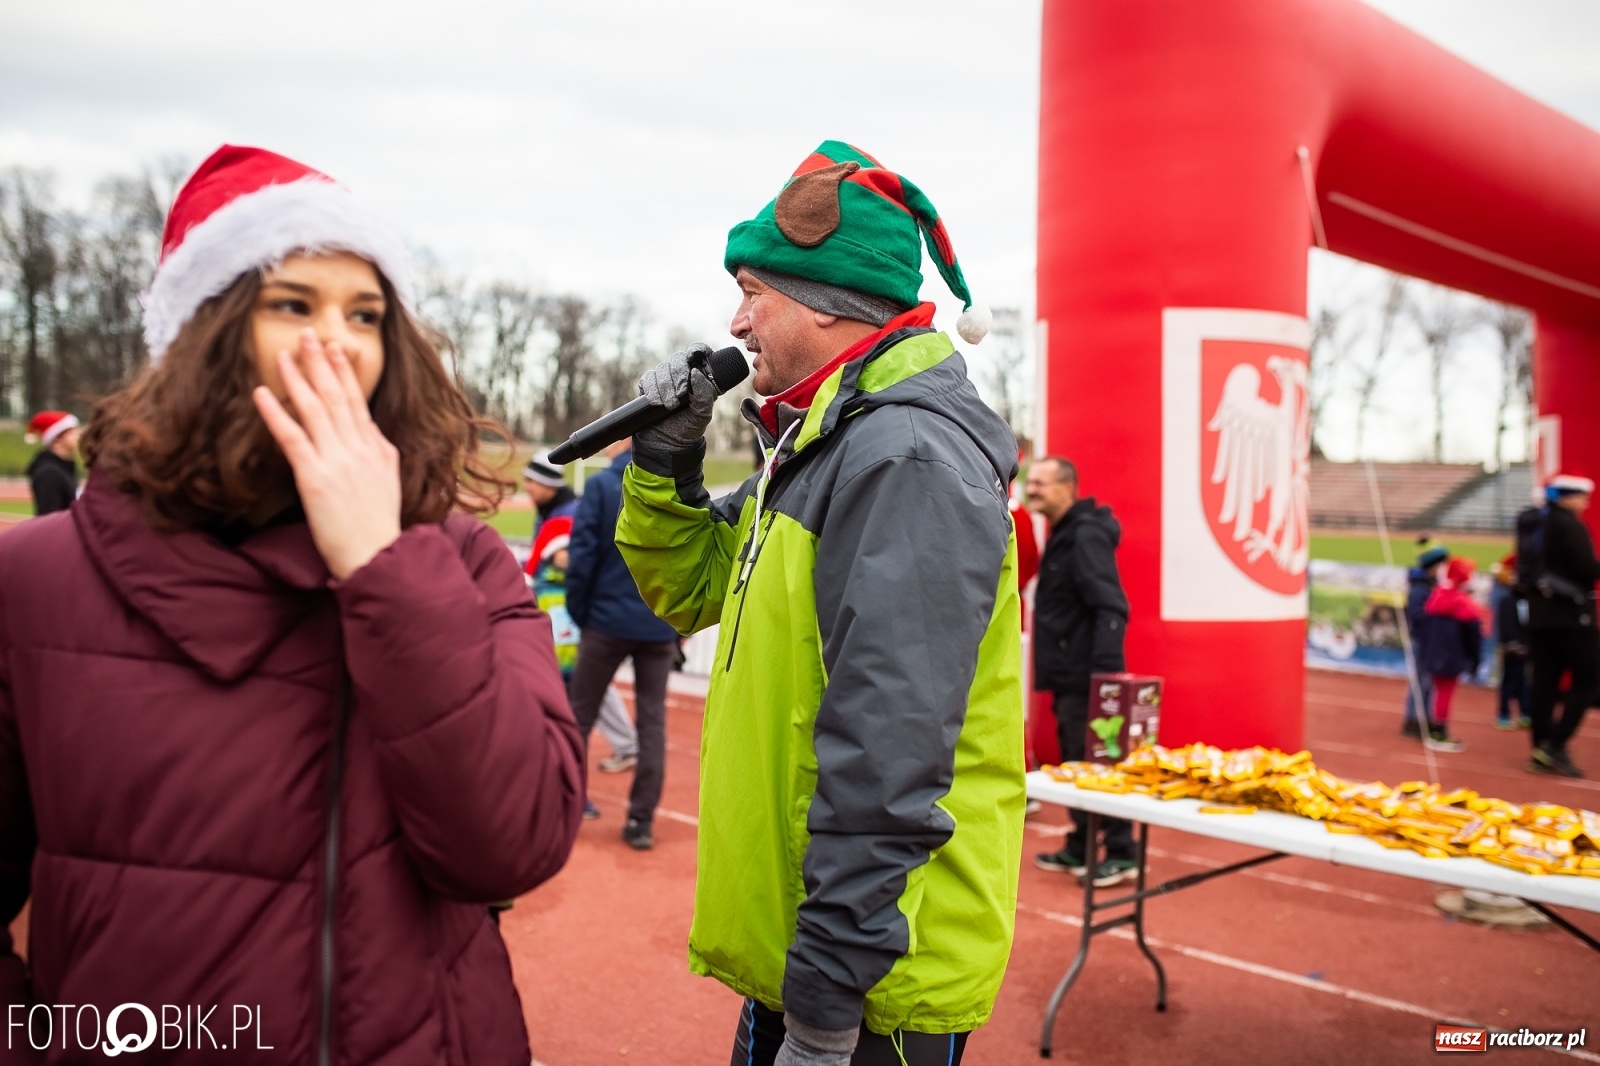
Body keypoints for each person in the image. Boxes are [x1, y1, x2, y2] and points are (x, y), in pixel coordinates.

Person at [0, 145, 586, 1062]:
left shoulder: (461, 563)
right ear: (204, 329)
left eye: (366, 313)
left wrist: (387, 567)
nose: (338, 341)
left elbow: (511, 847)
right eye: (292, 304)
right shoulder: (29, 582)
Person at [616, 141, 1023, 1066]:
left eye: (755, 290)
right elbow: (685, 591)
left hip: (870, 983)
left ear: (828, 304)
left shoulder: (903, 456)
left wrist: (829, 1010)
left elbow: (890, 753)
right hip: (819, 957)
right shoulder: (828, 441)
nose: (738, 318)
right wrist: (664, 459)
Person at [1024, 457, 1138, 886]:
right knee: (1078, 762)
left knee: (1100, 763)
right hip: (1072, 674)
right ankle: (1082, 843)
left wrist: (1103, 680)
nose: (1031, 488)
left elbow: (1110, 604)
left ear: (1067, 487)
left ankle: (1123, 851)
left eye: (1040, 483)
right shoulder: (1066, 532)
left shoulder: (1085, 535)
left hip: (1088, 678)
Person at [565, 437, 680, 848]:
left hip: (605, 622)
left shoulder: (600, 487)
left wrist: (581, 614)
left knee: (577, 717)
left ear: (625, 439)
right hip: (656, 624)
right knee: (652, 724)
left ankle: (564, 809)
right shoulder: (672, 484)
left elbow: (582, 557)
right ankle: (640, 822)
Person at [523, 461, 639, 779]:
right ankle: (622, 746)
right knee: (582, 683)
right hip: (567, 614)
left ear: (549, 484)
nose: (526, 487)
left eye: (531, 481)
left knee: (577, 684)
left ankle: (568, 776)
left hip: (570, 616)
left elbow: (576, 560)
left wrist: (577, 606)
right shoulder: (550, 513)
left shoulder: (566, 515)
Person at [1523, 474, 1599, 778]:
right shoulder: (1568, 525)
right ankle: (1555, 743)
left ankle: (1540, 745)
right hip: (1570, 616)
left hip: (1540, 615)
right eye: (1582, 497)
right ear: (1567, 497)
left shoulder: (1533, 523)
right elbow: (1586, 569)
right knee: (1590, 677)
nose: (1586, 503)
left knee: (1544, 682)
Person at [1414, 557, 1485, 753]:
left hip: (1434, 654)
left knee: (1435, 691)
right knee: (1444, 693)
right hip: (1451, 655)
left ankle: (1432, 727)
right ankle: (1439, 731)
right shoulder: (1463, 603)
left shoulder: (1437, 596)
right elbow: (1473, 635)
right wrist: (1475, 659)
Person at [1401, 540, 1449, 738]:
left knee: (1427, 681)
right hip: (1422, 640)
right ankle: (1414, 719)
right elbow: (1417, 614)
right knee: (1422, 680)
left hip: (1429, 640)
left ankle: (1423, 717)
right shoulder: (1421, 588)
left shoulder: (1428, 585)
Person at [1491, 553, 1530, 730]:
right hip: (1510, 648)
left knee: (1524, 681)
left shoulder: (1529, 601)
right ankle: (1504, 714)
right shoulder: (1506, 600)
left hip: (1526, 647)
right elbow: (1504, 624)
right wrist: (1509, 644)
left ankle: (1525, 713)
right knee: (1508, 682)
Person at [23, 410, 80, 515]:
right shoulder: (49, 473)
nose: (78, 436)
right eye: (71, 432)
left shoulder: (65, 468)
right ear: (56, 439)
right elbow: (49, 517)